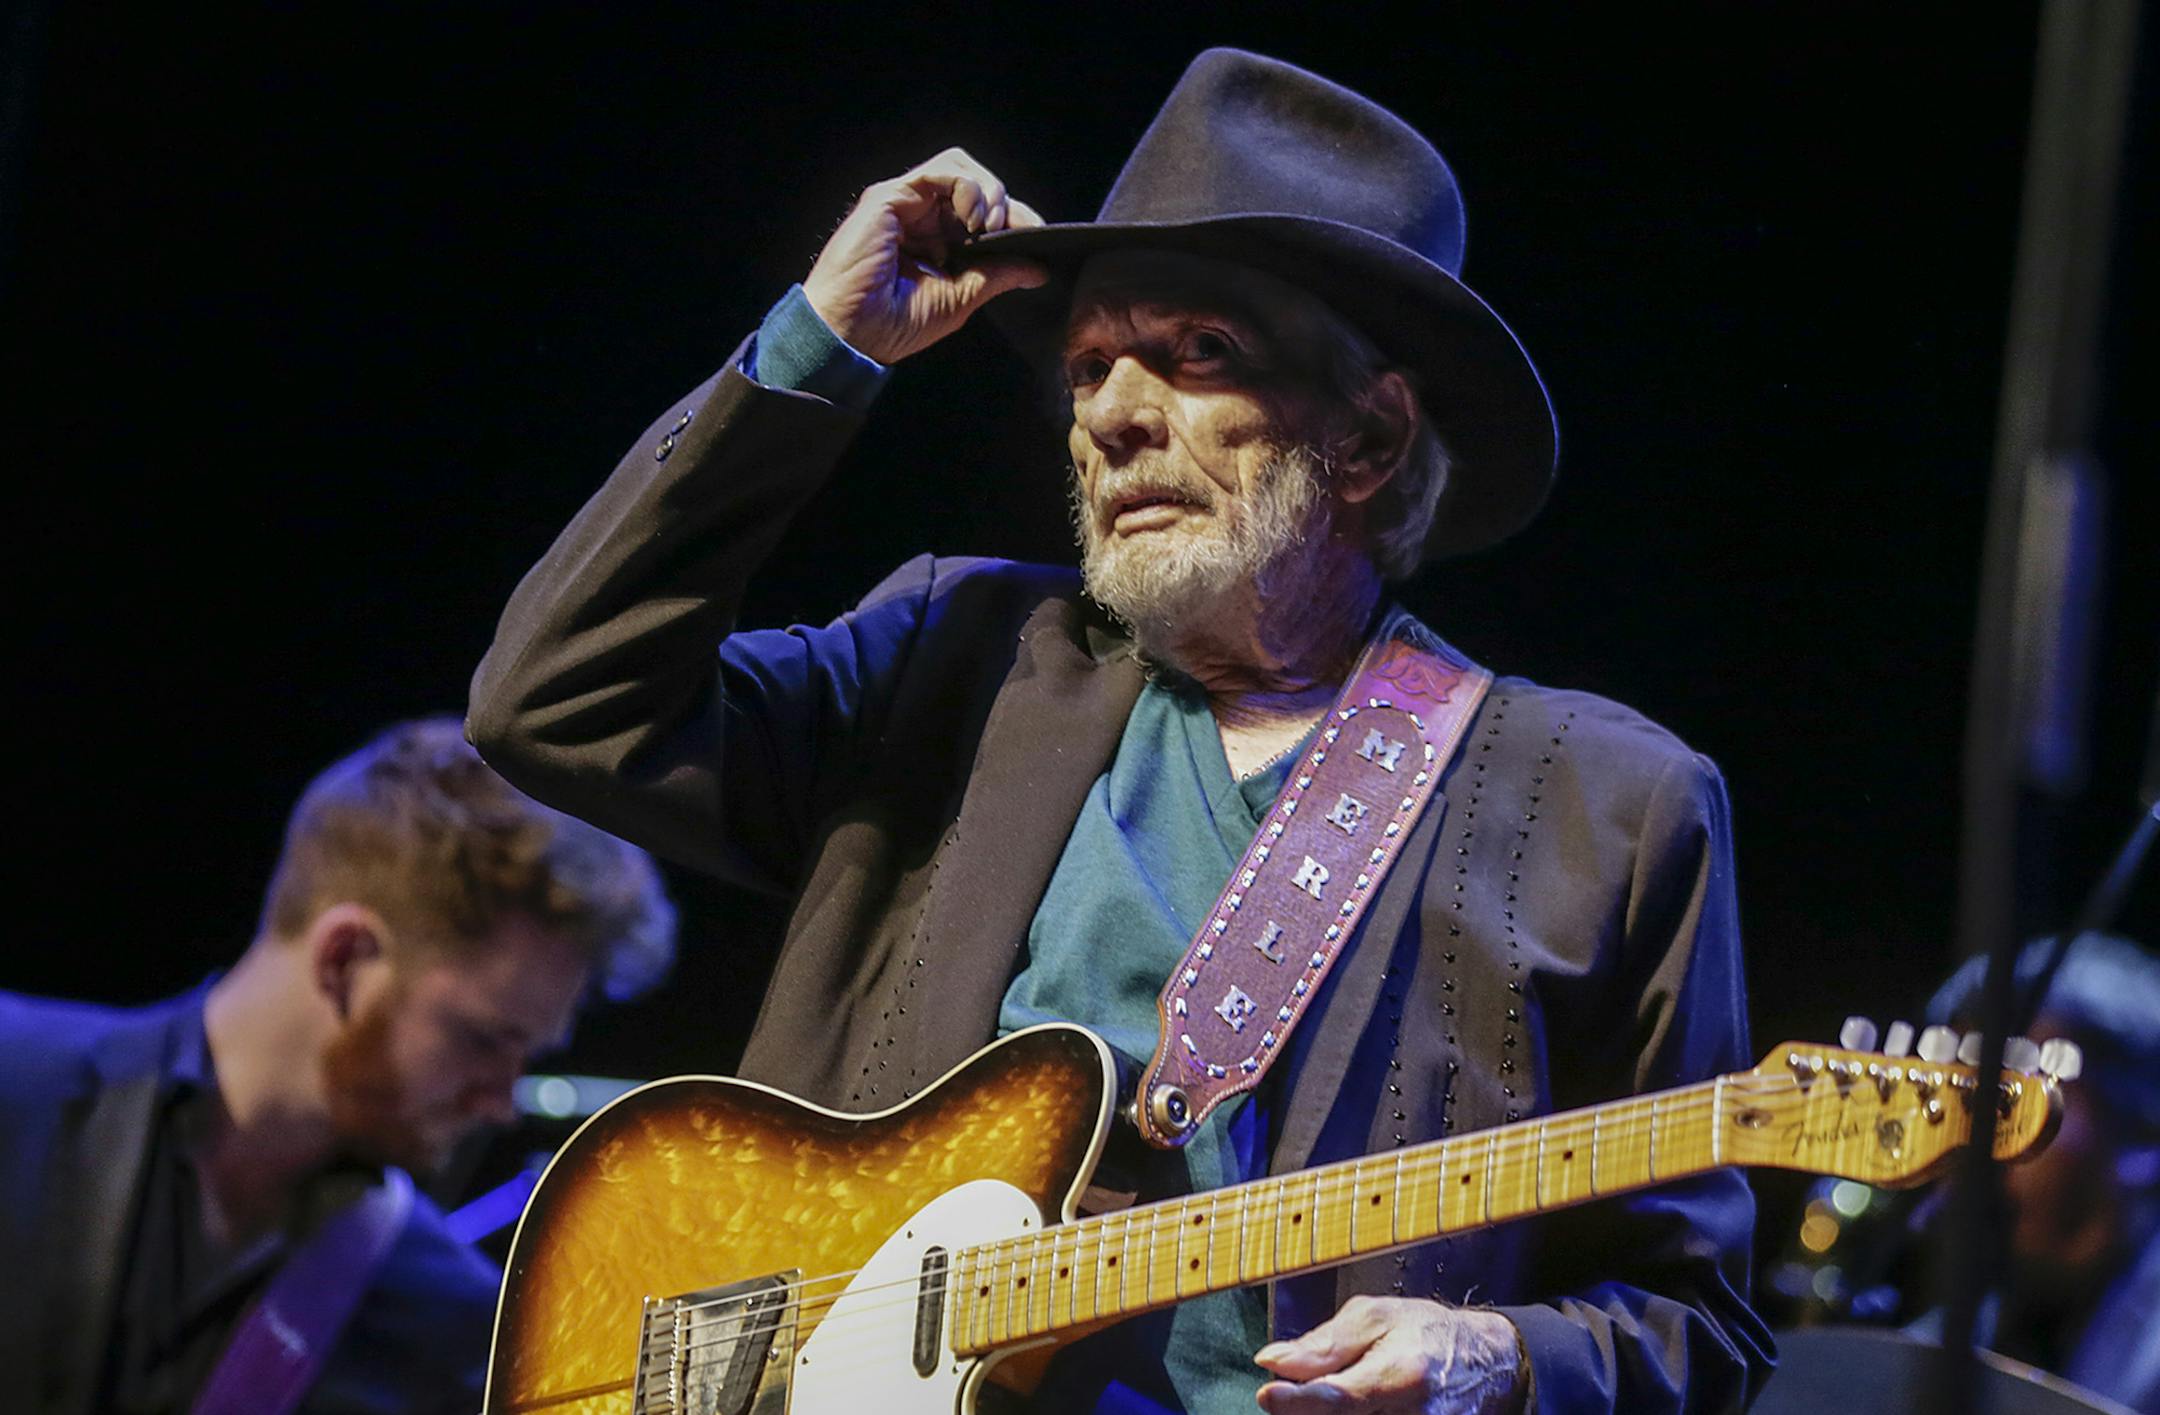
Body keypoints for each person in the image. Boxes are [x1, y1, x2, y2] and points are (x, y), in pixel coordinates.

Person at [469, 48, 1771, 1414]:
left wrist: (1499, 1356)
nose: (1113, 412)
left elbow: (1697, 1323)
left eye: (1201, 353)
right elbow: (552, 702)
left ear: (1371, 436)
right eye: (1090, 363)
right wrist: (824, 339)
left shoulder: (1608, 807)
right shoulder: (954, 657)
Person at [0, 715, 677, 1415]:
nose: (501, 1101)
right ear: (345, 959)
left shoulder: (457, 1326)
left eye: (524, 1051)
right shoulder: (13, 1085)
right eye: (481, 1038)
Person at [1917, 933, 2160, 1413]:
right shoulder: (1961, 1328)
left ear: (2143, 1134)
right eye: (1947, 1115)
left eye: (2012, 1115)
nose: (1959, 1163)